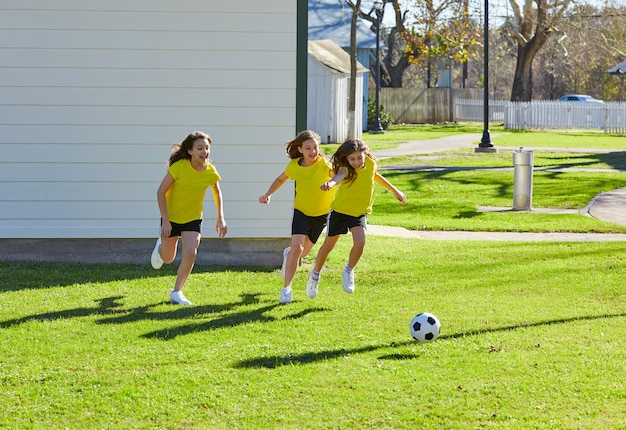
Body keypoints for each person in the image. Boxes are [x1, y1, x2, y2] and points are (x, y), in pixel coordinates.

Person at [306, 138, 406, 298]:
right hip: (340, 212)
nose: (356, 162)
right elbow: (337, 177)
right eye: (352, 159)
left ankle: (348, 271)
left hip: (359, 212)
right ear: (346, 158)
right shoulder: (346, 169)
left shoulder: (371, 164)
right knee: (328, 246)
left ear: (365, 154)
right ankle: (315, 275)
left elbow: (375, 176)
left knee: (360, 242)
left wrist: (395, 191)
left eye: (359, 157)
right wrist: (330, 184)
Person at [150, 131, 227, 305]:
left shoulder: (210, 171)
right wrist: (166, 220)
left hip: (192, 218)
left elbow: (217, 192)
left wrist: (220, 217)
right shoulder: (180, 167)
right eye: (200, 148)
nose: (204, 152)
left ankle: (177, 292)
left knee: (191, 252)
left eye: (207, 148)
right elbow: (161, 192)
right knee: (168, 258)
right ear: (190, 151)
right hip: (172, 217)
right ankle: (160, 247)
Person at [259, 130, 334, 304]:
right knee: (298, 248)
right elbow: (280, 179)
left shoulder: (325, 165)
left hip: (321, 215)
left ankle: (289, 253)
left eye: (315, 147)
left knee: (303, 252)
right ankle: (286, 289)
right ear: (300, 149)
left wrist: (331, 183)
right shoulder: (294, 165)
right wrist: (268, 194)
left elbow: (340, 176)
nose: (313, 151)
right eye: (308, 148)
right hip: (301, 211)